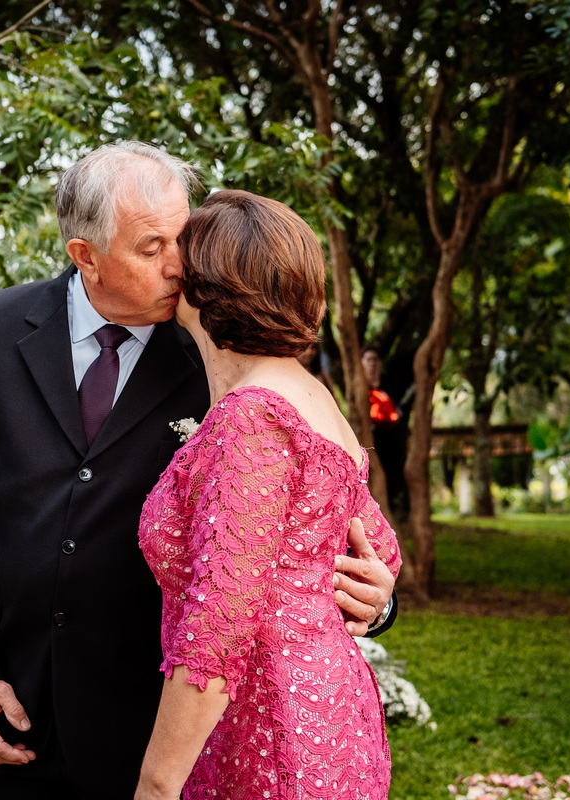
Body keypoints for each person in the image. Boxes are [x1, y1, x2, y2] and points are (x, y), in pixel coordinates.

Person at [0, 142, 396, 800]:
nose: (179, 265)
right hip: (23, 710)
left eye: (183, 236)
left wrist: (379, 598)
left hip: (174, 720)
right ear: (86, 254)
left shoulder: (222, 347)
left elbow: (328, 518)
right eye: (152, 247)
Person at [133, 191, 402, 800]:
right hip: (332, 706)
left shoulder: (251, 415)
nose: (170, 266)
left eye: (181, 254)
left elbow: (218, 623)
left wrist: (156, 782)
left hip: (266, 727)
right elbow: (378, 547)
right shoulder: (313, 399)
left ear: (207, 285)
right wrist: (373, 597)